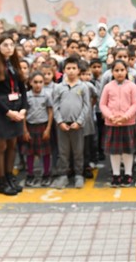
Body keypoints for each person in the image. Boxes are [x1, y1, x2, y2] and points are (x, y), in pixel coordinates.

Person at [0, 34, 28, 196]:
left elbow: (23, 90)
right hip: (2, 110)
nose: (9, 48)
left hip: (17, 108)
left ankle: (10, 177)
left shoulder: (14, 65)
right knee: (1, 146)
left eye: (11, 44)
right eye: (5, 45)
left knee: (12, 145)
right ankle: (1, 182)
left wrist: (23, 109)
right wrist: (9, 112)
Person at [51, 56, 90, 189]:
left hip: (77, 125)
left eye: (74, 68)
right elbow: (54, 106)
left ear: (79, 70)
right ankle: (63, 175)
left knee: (78, 151)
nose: (71, 71)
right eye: (69, 68)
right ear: (64, 70)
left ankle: (79, 174)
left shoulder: (83, 87)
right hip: (62, 125)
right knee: (63, 151)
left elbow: (86, 106)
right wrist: (60, 121)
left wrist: (79, 121)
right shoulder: (58, 87)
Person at [99, 60, 136, 187]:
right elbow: (102, 104)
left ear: (126, 71)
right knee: (114, 151)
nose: (119, 73)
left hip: (128, 123)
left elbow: (135, 104)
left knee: (128, 150)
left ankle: (128, 174)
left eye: (122, 70)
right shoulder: (108, 86)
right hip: (112, 123)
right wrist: (110, 116)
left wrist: (125, 117)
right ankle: (116, 174)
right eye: (116, 70)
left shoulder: (132, 86)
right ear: (112, 72)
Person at [22, 71, 53, 188]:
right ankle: (30, 174)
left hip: (43, 126)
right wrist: (24, 130)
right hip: (30, 126)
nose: (38, 85)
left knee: (45, 153)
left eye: (40, 82)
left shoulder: (47, 95)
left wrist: (48, 129)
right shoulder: (27, 95)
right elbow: (23, 114)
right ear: (30, 82)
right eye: (35, 82)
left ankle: (46, 174)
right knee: (29, 153)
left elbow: (50, 111)